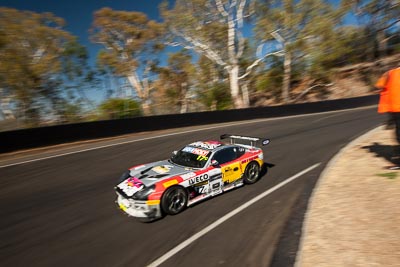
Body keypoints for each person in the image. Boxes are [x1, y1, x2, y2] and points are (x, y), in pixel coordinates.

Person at [375, 67, 400, 169]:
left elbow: (379, 85)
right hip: (395, 109)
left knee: (399, 136)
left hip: (396, 109)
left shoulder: (391, 73)